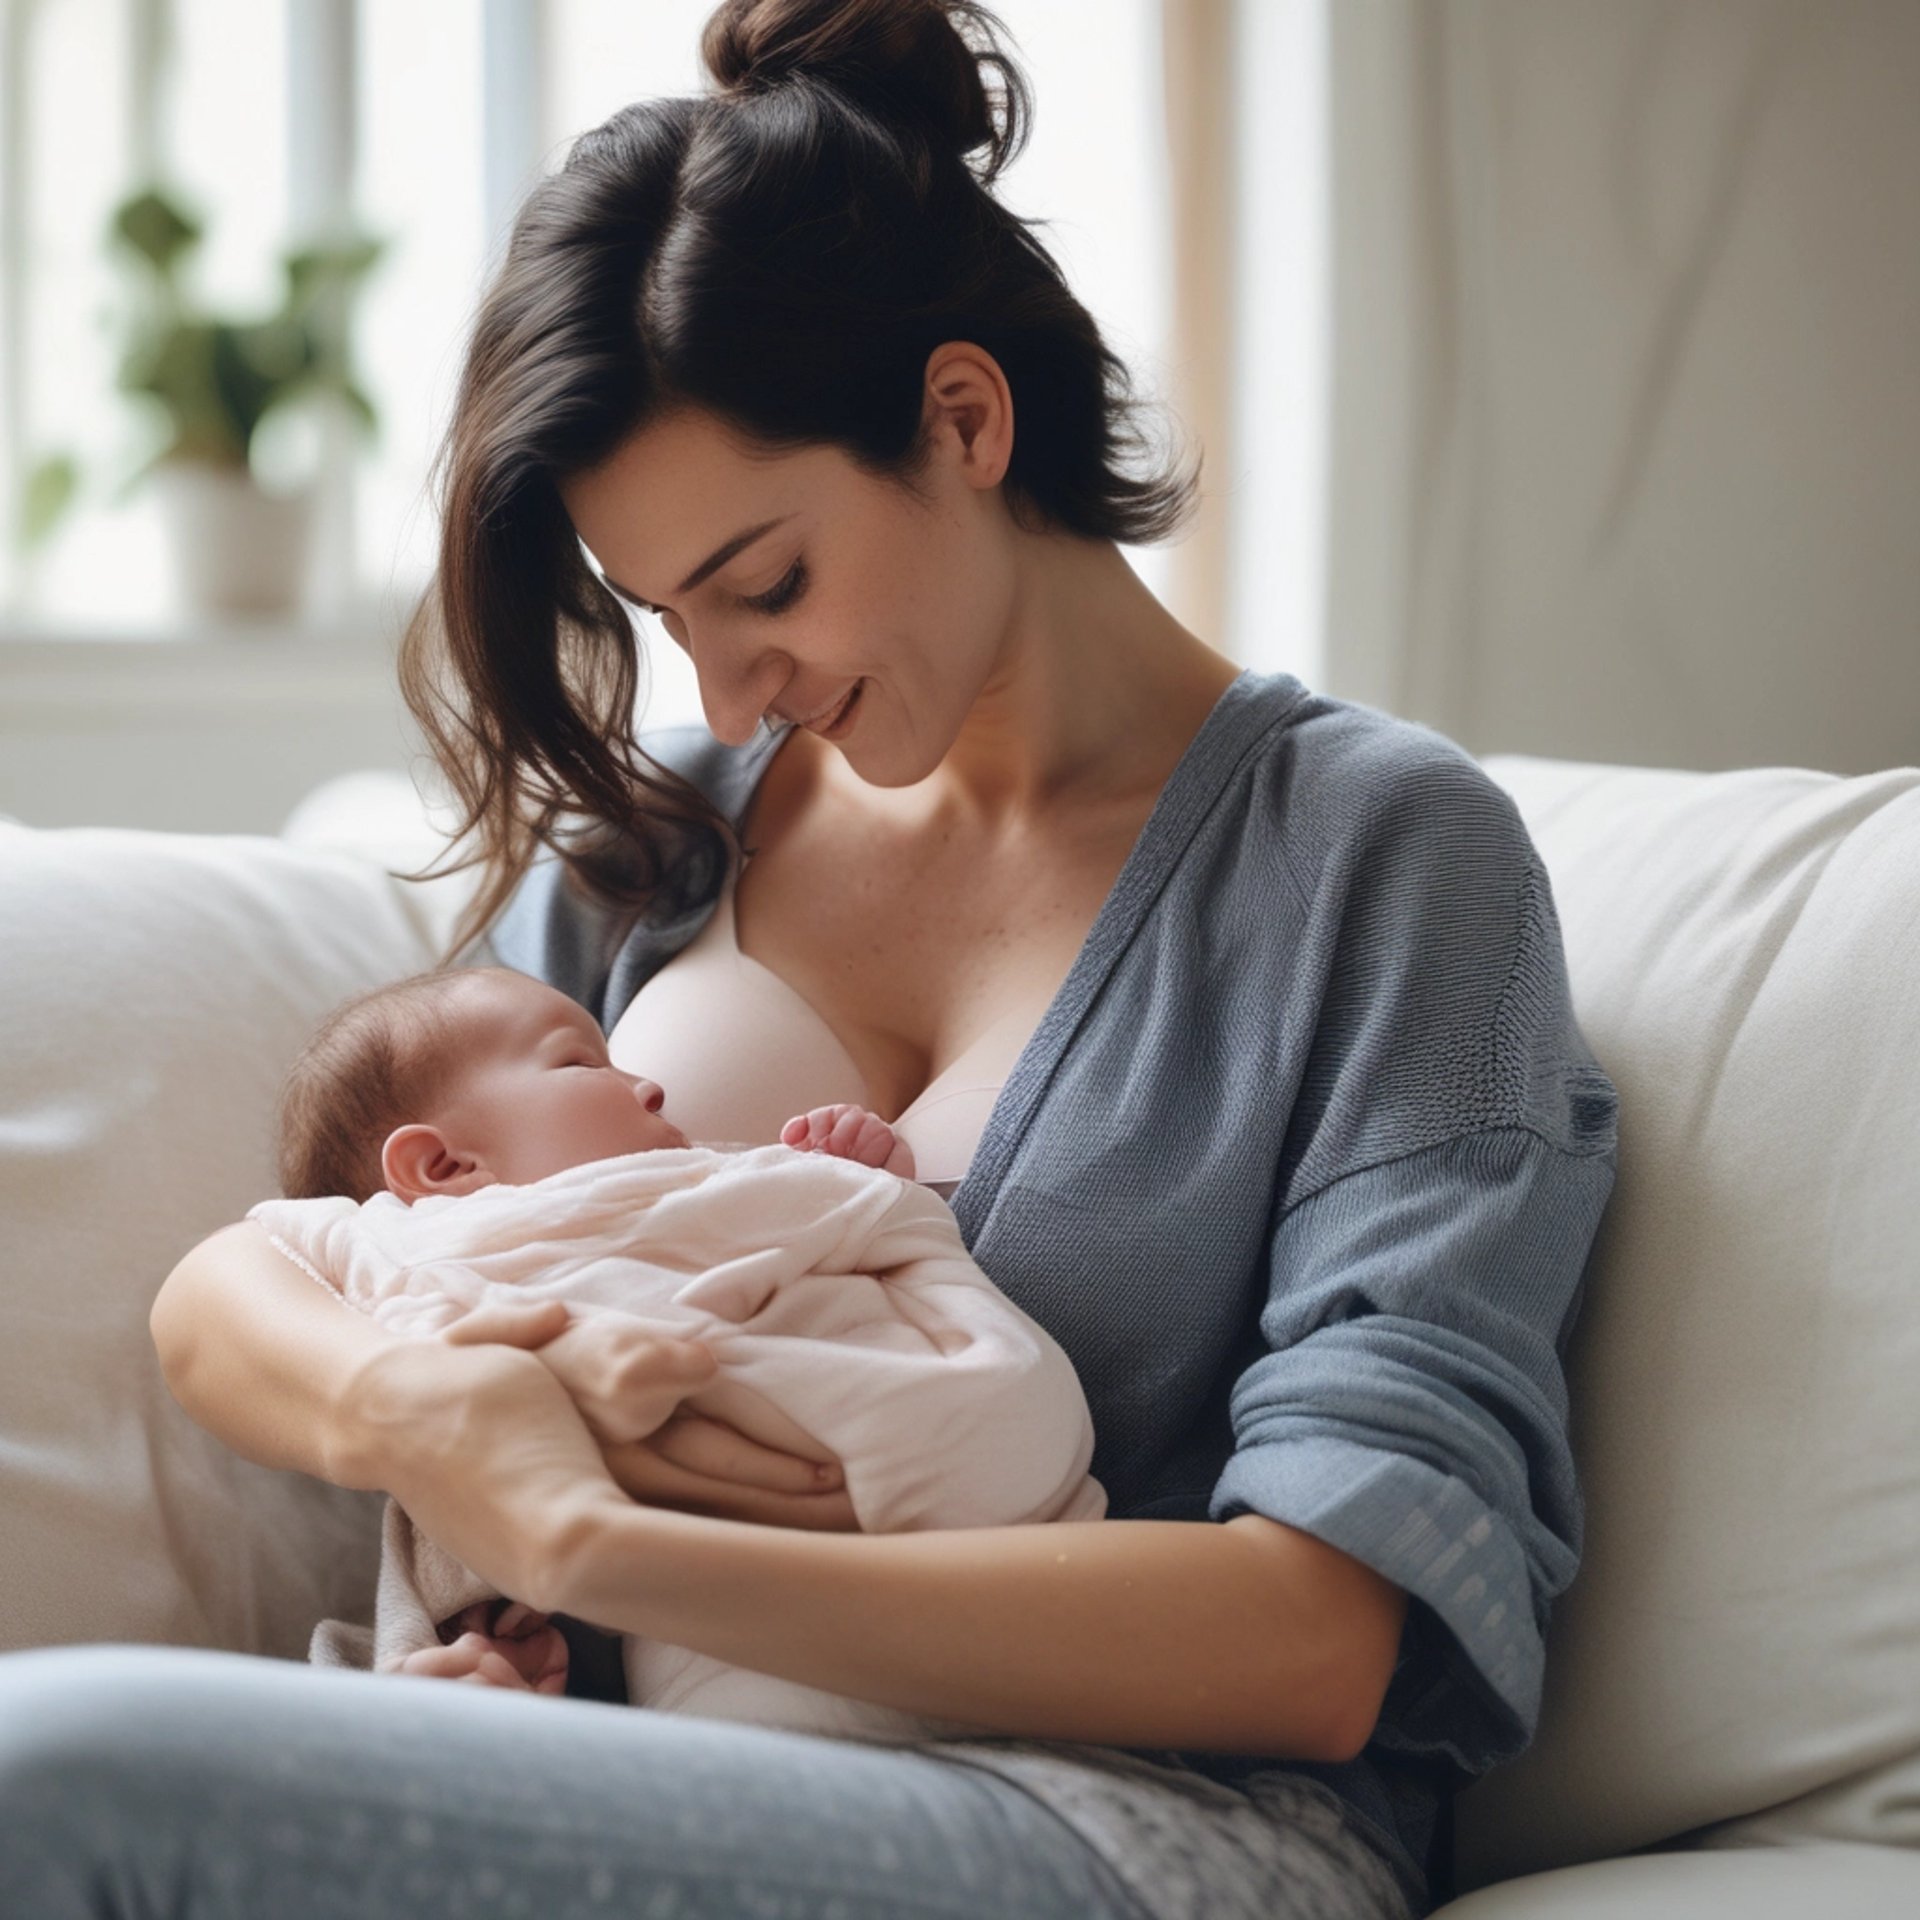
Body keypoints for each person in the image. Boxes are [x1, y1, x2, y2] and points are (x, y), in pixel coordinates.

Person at [0, 2, 1619, 1916]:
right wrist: (421, 1416)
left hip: (1137, 1820)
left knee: (62, 1779)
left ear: (963, 417)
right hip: (643, 1763)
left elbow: (1324, 1633)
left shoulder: (1376, 857)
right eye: (669, 613)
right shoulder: (672, 835)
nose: (729, 682)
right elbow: (255, 1278)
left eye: (765, 583)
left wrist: (596, 1539)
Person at [253, 960, 1106, 1736]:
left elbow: (825, 1231)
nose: (650, 1087)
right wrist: (479, 1631)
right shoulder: (401, 1261)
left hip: (944, 1538)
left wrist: (850, 1176)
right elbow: (265, 1269)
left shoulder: (708, 1183)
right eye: (582, 1063)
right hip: (700, 1635)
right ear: (443, 1166)